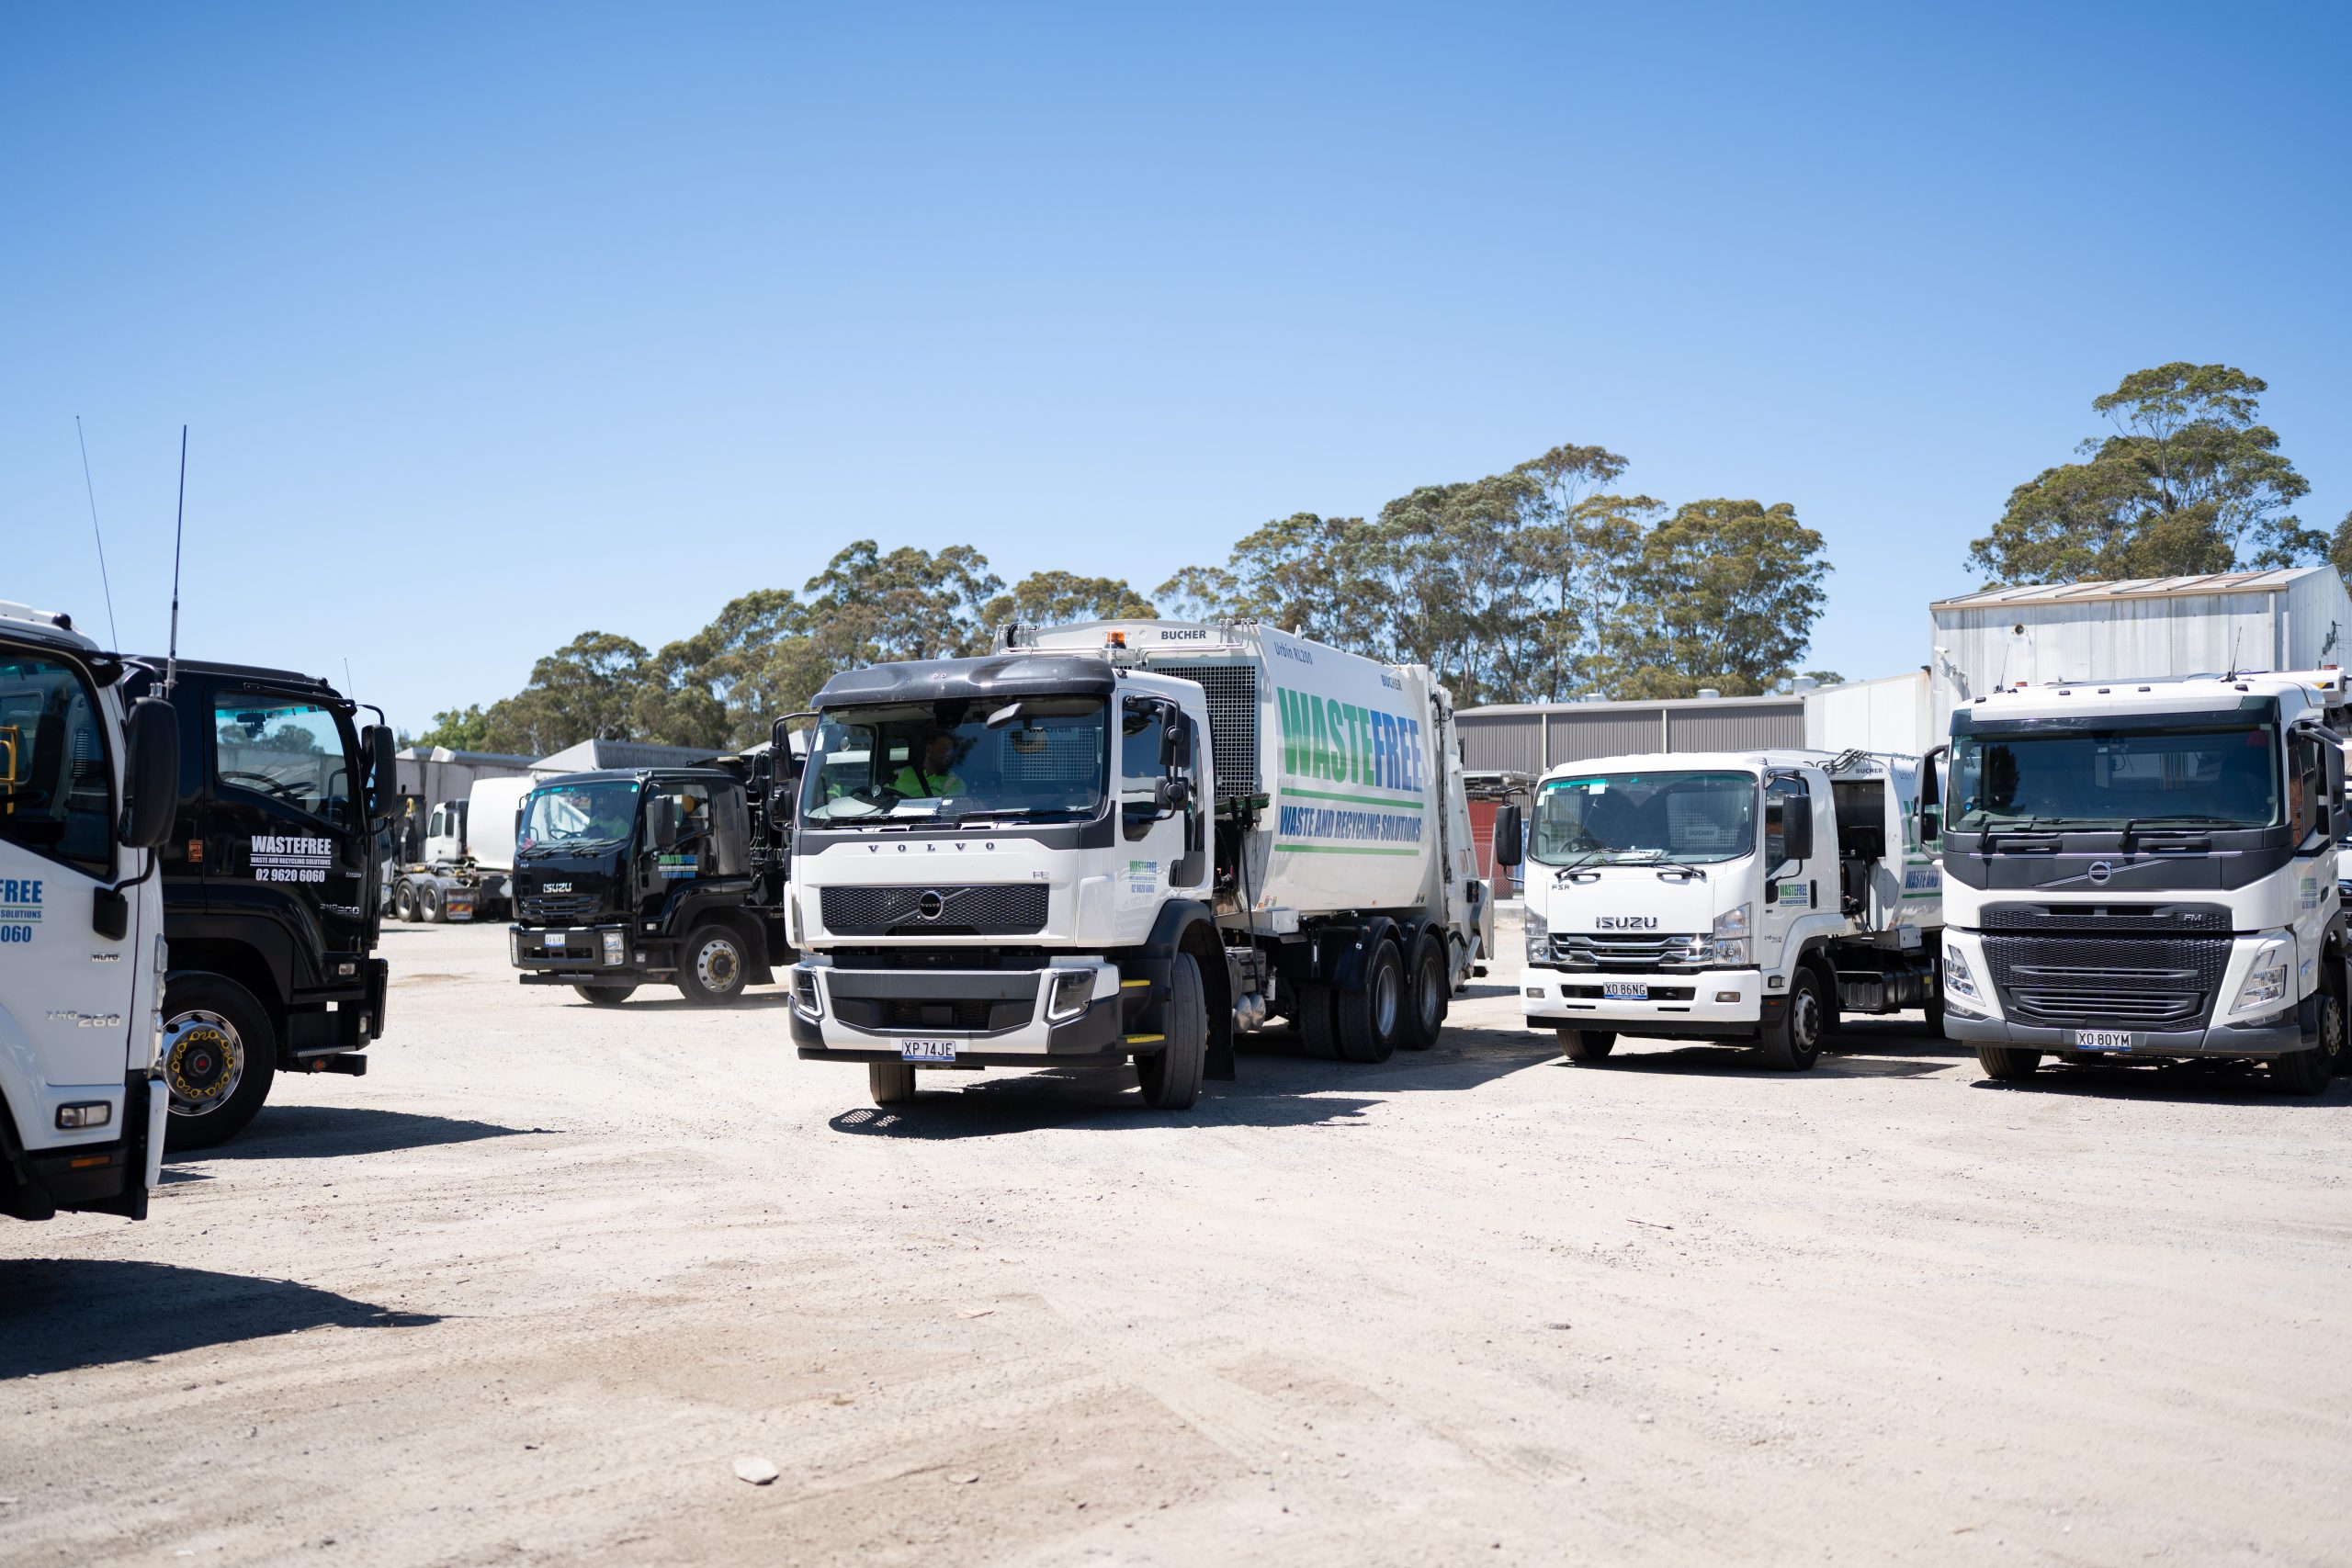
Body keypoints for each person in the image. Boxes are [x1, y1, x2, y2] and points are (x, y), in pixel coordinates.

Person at [891, 731, 966, 797]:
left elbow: (947, 810)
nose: (948, 753)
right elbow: (885, 797)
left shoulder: (956, 783)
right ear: (929, 749)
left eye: (950, 750)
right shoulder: (899, 773)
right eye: (944, 748)